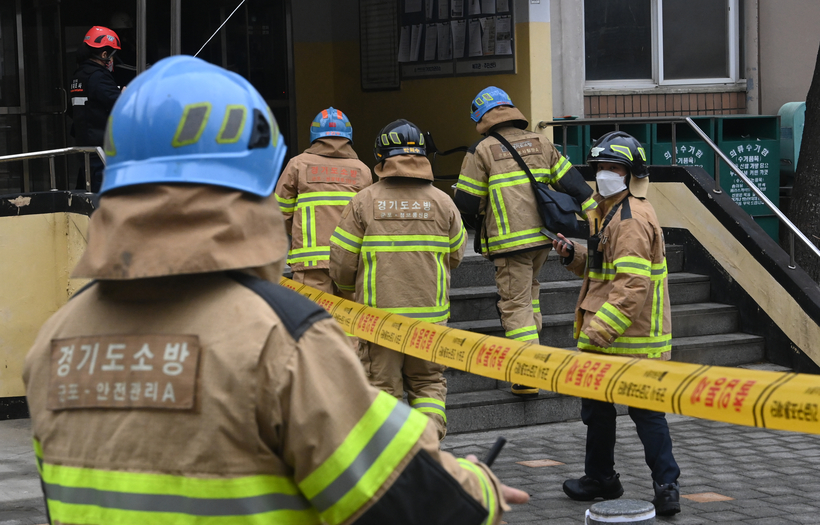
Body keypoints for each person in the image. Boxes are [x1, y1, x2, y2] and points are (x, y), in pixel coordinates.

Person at [23, 55, 527, 525]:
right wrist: (478, 490)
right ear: (256, 177)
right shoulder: (282, 339)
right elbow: (390, 494)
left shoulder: (52, 343)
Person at [552, 131, 681, 516]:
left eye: (614, 167)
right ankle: (601, 478)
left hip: (631, 338)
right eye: (601, 166)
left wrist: (598, 333)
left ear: (630, 173)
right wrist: (572, 254)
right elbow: (603, 272)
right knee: (597, 412)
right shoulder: (609, 211)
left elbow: (631, 287)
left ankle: (667, 486)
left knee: (647, 416)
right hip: (610, 338)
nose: (605, 173)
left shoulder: (630, 219)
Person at [453, 86, 596, 398]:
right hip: (544, 239)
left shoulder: (482, 150)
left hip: (509, 245)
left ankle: (529, 373)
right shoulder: (540, 141)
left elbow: (465, 203)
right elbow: (574, 185)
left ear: (481, 117)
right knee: (529, 297)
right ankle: (533, 353)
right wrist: (596, 224)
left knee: (515, 305)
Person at [330, 119, 467, 440]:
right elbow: (456, 256)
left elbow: (341, 264)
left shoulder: (364, 201)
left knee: (382, 392)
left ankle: (392, 465)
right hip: (430, 322)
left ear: (380, 155)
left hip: (379, 321)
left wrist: (353, 292)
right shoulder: (443, 201)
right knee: (428, 386)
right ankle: (428, 449)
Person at [275, 107, 372, 303]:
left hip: (309, 265)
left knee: (313, 324)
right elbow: (367, 220)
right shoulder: (362, 170)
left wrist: (297, 232)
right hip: (348, 263)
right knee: (350, 324)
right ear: (348, 136)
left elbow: (278, 213)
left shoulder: (297, 165)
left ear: (315, 135)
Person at [69, 26, 124, 192]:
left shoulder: (78, 76)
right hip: (101, 149)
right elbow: (120, 106)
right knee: (103, 197)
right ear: (104, 54)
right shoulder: (99, 77)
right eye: (112, 54)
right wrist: (125, 95)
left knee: (86, 192)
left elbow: (72, 111)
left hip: (85, 145)